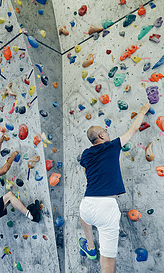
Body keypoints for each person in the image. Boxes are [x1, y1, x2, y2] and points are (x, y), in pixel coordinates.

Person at [79, 103, 150, 273]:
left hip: (87, 203)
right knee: (108, 264)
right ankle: (92, 247)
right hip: (106, 207)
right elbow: (132, 130)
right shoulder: (111, 146)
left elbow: (85, 172)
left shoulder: (86, 154)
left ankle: (90, 245)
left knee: (85, 219)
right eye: (106, 132)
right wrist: (142, 111)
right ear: (102, 135)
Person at [0, 134, 41, 273]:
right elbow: (4, 170)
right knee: (9, 196)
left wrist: (0, 142)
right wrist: (12, 156)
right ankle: (31, 215)